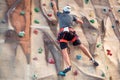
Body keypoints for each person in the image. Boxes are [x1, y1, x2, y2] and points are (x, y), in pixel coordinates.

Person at [51, 0, 99, 76]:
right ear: (69, 12)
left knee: (64, 50)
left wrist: (53, 3)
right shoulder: (72, 16)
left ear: (63, 11)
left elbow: (55, 9)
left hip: (63, 33)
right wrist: (76, 20)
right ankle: (92, 59)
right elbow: (81, 22)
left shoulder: (60, 14)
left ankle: (68, 66)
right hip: (71, 32)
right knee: (81, 46)